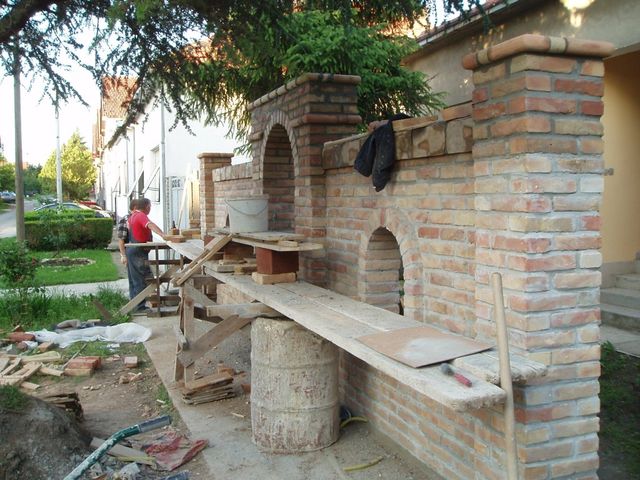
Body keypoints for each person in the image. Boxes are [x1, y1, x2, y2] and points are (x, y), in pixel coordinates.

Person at [126, 197, 166, 313]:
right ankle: (140, 307)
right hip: (137, 251)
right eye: (150, 207)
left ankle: (134, 305)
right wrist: (163, 235)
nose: (150, 209)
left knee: (134, 280)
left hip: (132, 250)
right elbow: (150, 225)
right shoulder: (141, 215)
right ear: (147, 207)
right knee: (140, 280)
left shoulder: (132, 216)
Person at [117, 198, 138, 299]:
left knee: (139, 279)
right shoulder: (126, 219)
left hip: (138, 252)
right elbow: (121, 239)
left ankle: (138, 301)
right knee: (134, 279)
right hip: (130, 252)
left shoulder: (138, 217)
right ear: (135, 207)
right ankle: (135, 301)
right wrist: (123, 255)